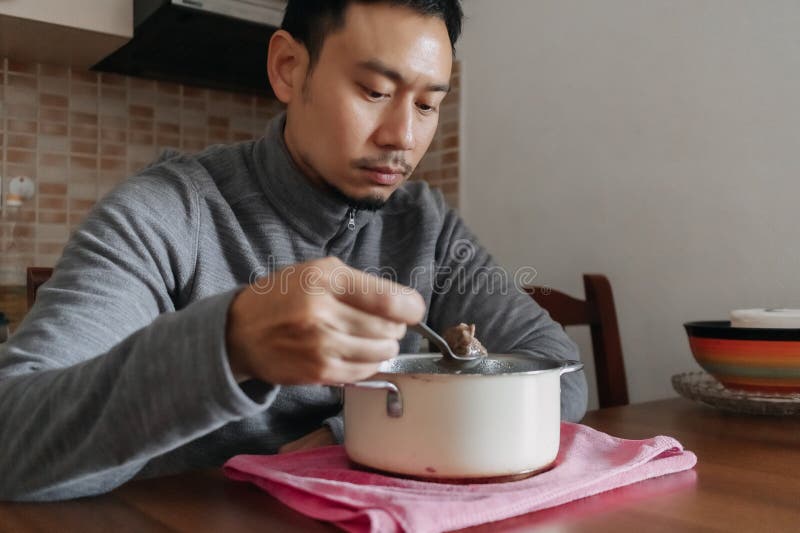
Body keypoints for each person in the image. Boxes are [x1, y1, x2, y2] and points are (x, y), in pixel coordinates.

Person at [0, 0, 587, 501]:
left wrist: (348, 435)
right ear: (287, 69)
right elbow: (12, 440)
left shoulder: (425, 222)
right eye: (375, 90)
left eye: (428, 104)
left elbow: (556, 369)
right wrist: (228, 347)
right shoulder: (167, 213)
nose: (403, 138)